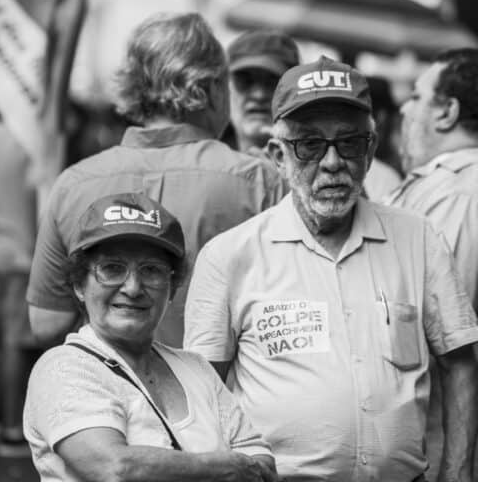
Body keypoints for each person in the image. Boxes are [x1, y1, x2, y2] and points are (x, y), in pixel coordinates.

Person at [185, 55, 478, 482]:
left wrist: (457, 472)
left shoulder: (419, 239)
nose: (332, 162)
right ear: (278, 156)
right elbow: (201, 396)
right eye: (309, 145)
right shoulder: (230, 256)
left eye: (349, 143)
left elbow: (460, 362)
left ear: (371, 151)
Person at [27, 13, 286, 349]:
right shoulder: (262, 181)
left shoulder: (73, 184)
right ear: (210, 88)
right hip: (220, 379)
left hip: (106, 379)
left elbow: (46, 323)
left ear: (133, 86)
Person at [23, 192, 277, 482]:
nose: (132, 288)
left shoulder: (196, 368)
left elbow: (261, 461)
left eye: (152, 270)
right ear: (80, 285)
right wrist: (226, 467)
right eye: (112, 268)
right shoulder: (63, 368)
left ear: (172, 287)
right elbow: (114, 468)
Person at [385, 48, 478, 481]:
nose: (405, 109)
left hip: (438, 448)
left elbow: (445, 332)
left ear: (448, 112)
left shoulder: (458, 192)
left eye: (417, 97)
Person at [225, 30, 301, 153]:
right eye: (245, 80)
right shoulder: (201, 160)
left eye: (273, 82)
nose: (259, 95)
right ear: (224, 89)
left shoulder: (324, 160)